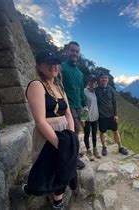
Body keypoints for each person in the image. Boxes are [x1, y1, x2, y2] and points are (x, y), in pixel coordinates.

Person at [10, 50, 78, 208]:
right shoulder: (36, 85)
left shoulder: (59, 88)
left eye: (55, 63)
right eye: (48, 63)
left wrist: (71, 136)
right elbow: (40, 121)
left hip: (64, 132)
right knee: (46, 165)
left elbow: (68, 113)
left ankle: (57, 201)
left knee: (62, 165)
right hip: (47, 132)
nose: (53, 66)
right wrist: (60, 145)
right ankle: (30, 189)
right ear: (39, 66)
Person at [61, 41, 86, 169]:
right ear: (67, 51)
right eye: (72, 50)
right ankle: (73, 159)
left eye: (77, 51)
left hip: (77, 106)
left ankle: (74, 152)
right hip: (67, 106)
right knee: (73, 130)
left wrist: (84, 105)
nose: (75, 53)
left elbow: (81, 91)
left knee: (77, 130)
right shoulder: (61, 68)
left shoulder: (80, 74)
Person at [95, 73, 129, 156]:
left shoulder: (111, 89)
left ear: (108, 79)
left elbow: (114, 102)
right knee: (102, 132)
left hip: (111, 115)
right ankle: (104, 147)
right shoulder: (96, 90)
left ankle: (120, 147)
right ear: (100, 79)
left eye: (105, 78)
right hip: (102, 116)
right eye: (102, 78)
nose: (104, 79)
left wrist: (116, 114)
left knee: (115, 131)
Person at [83, 75, 101, 161]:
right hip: (87, 118)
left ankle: (95, 149)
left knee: (94, 134)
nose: (93, 83)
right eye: (92, 82)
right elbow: (82, 105)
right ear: (88, 82)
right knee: (87, 134)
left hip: (95, 117)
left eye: (95, 82)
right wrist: (82, 119)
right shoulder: (84, 91)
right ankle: (88, 150)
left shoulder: (95, 92)